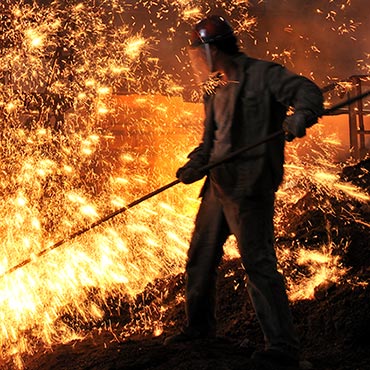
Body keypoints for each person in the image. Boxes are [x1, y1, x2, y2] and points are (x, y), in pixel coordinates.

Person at [164, 15, 324, 369]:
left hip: (249, 188)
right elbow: (210, 140)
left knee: (258, 264)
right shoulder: (213, 87)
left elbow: (307, 92)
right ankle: (200, 328)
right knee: (200, 257)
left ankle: (282, 347)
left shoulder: (263, 74)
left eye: (196, 51)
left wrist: (301, 116)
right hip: (217, 186)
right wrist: (195, 163)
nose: (194, 59)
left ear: (211, 49)